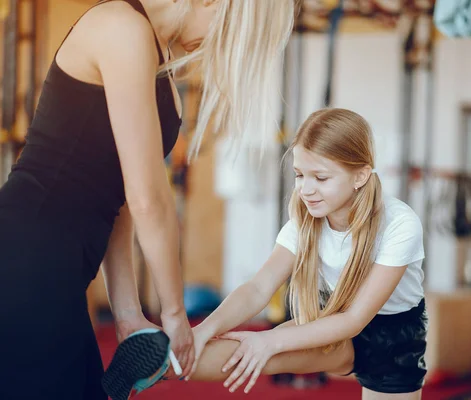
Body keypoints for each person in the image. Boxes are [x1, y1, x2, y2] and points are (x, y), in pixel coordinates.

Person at [0, 0, 294, 399]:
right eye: (224, 30)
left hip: (57, 272)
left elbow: (115, 194)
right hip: (25, 260)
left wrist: (127, 312)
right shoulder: (122, 28)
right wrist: (174, 314)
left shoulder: (156, 58)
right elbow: (148, 199)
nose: (214, 44)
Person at [111, 108, 428, 400]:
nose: (305, 189)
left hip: (392, 337)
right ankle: (158, 366)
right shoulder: (306, 219)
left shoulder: (399, 224)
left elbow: (355, 319)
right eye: (300, 175)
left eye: (320, 178)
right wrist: (203, 330)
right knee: (257, 353)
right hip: (329, 318)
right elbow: (258, 288)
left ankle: (164, 365)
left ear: (360, 176)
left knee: (267, 346)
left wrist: (270, 339)